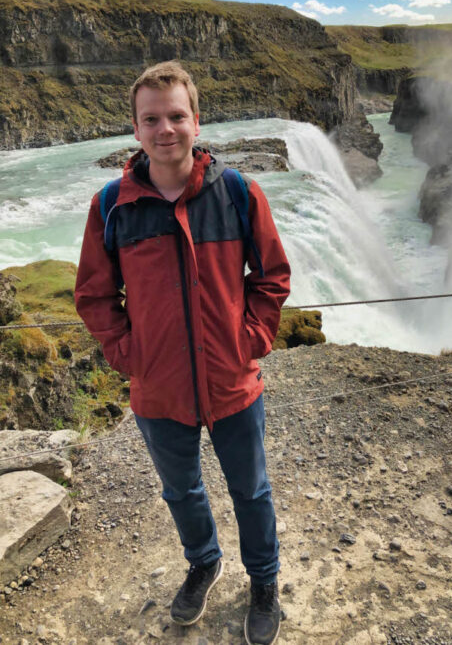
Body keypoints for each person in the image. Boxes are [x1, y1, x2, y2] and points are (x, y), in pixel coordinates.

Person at [75, 61, 291, 645]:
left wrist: (250, 341)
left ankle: (264, 581)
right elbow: (94, 294)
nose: (165, 128)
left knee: (252, 489)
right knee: (181, 490)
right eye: (152, 119)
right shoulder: (111, 206)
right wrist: (129, 354)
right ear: (136, 129)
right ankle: (204, 562)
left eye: (176, 115)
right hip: (158, 386)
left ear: (197, 121)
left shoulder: (239, 192)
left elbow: (271, 277)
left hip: (232, 380)